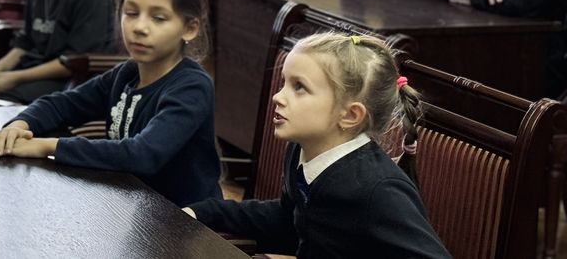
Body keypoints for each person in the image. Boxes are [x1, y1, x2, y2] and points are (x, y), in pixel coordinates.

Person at [184, 33, 451, 259]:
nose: (278, 96)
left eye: (299, 87)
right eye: (284, 83)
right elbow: (290, 220)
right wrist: (203, 211)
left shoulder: (377, 190)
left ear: (349, 115)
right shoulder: (301, 150)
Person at [0, 0, 222, 206]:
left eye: (158, 18)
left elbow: (143, 155)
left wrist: (48, 147)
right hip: (131, 207)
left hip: (185, 223)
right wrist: (19, 125)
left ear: (190, 28)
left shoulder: (192, 87)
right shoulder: (127, 74)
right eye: (131, 13)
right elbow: (63, 104)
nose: (140, 27)